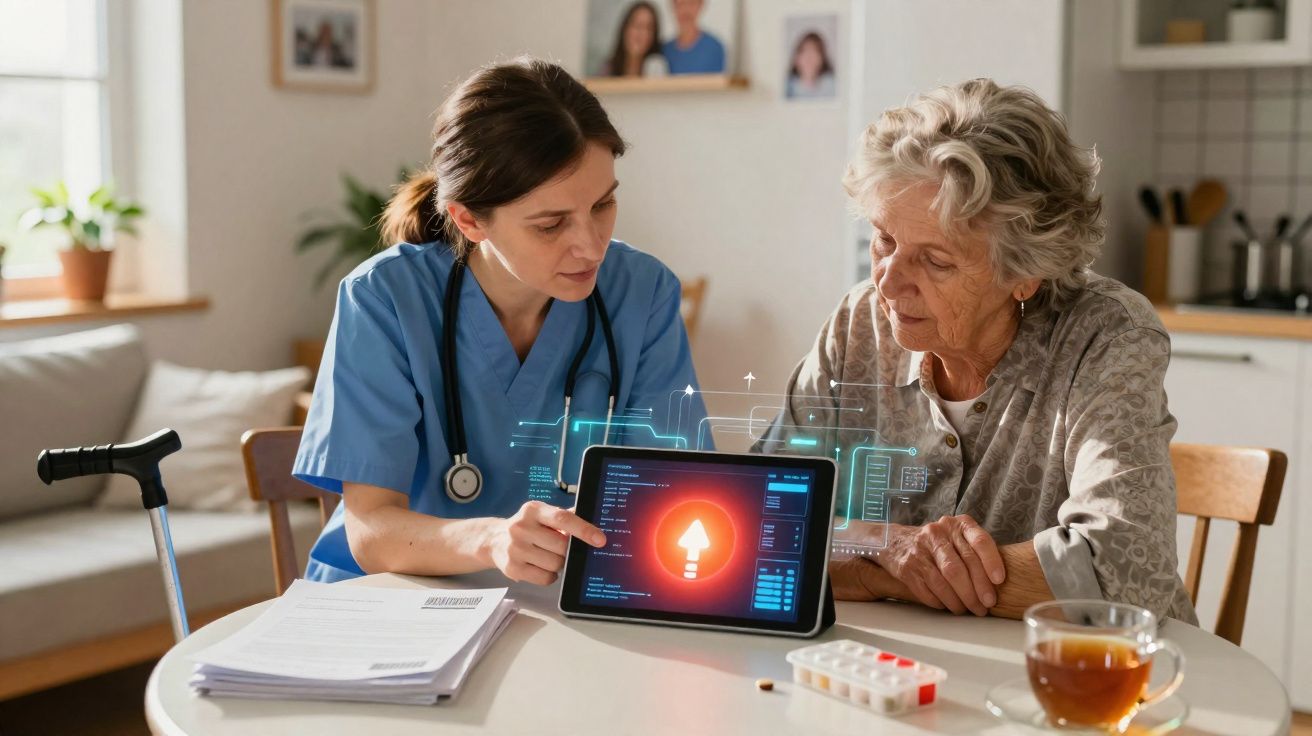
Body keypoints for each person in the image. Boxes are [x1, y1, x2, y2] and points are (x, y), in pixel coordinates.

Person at [756, 79, 1198, 623]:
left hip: (1101, 682)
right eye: (884, 240)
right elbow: (760, 515)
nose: (888, 284)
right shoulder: (859, 325)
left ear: (1025, 273)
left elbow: (1125, 576)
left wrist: (875, 571)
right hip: (919, 674)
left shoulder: (1106, 337)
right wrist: (887, 548)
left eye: (936, 261)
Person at [294, 57, 708, 585]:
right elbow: (371, 530)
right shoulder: (385, 299)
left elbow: (677, 497)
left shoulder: (642, 293)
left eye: (603, 205)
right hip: (398, 610)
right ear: (469, 219)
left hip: (560, 611)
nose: (590, 245)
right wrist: (489, 541)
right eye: (551, 224)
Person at [603, 1, 667, 78]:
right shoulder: (608, 69)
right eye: (637, 26)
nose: (642, 33)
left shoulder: (657, 67)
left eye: (649, 28)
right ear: (625, 29)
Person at [663, 0, 725, 75]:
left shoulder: (714, 49)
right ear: (672, 6)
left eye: (691, 3)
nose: (686, 10)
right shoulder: (664, 51)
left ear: (701, 5)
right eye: (681, 3)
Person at [785, 31, 835, 100]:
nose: (809, 57)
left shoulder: (832, 86)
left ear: (822, 59)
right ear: (796, 59)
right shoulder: (787, 89)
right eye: (805, 51)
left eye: (815, 51)